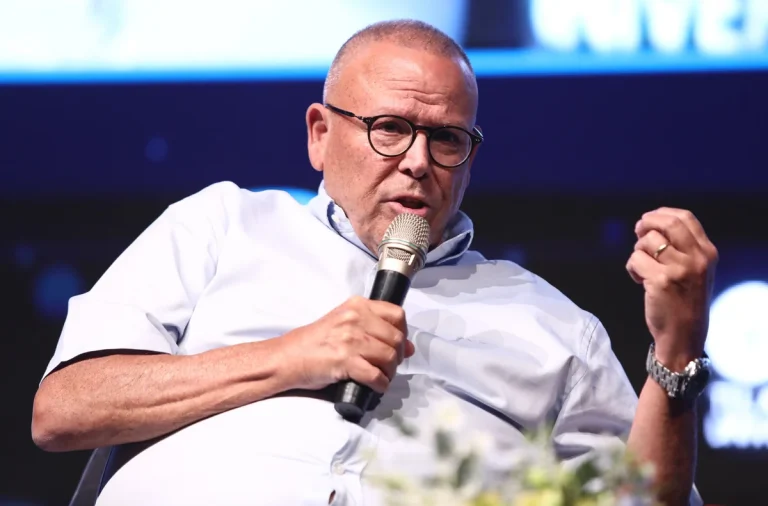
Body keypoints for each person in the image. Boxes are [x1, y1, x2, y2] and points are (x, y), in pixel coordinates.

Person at [32, 20, 716, 506]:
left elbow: (640, 499)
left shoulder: (554, 326)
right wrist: (291, 357)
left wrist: (678, 350)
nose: (418, 161)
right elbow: (63, 410)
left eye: (446, 139)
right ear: (320, 134)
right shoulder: (223, 225)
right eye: (390, 128)